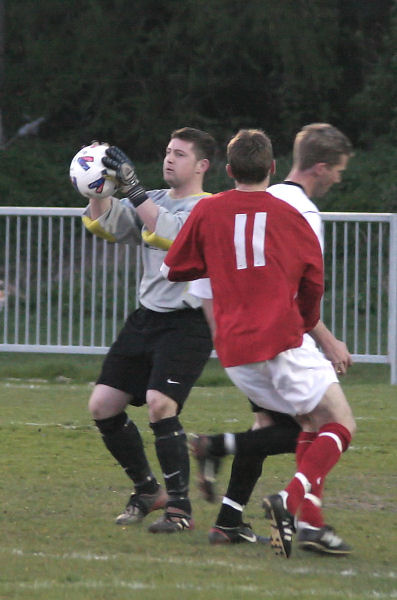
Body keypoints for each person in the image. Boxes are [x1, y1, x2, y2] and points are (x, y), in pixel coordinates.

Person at [161, 127, 356, 558]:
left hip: (234, 351)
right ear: (271, 167)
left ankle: (308, 524)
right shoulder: (292, 216)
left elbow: (176, 268)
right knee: (340, 424)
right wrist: (307, 326)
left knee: (304, 426)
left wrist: (222, 265)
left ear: (227, 170)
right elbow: (313, 283)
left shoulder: (209, 210)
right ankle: (289, 504)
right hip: (280, 339)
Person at [82, 127, 216, 533]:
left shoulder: (210, 208)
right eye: (167, 150)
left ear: (202, 166)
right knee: (102, 405)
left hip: (187, 323)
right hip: (146, 318)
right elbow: (106, 224)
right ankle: (147, 489)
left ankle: (180, 509)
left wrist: (134, 187)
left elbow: (171, 234)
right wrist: (96, 181)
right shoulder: (152, 199)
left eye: (180, 153)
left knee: (161, 404)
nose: (169, 158)